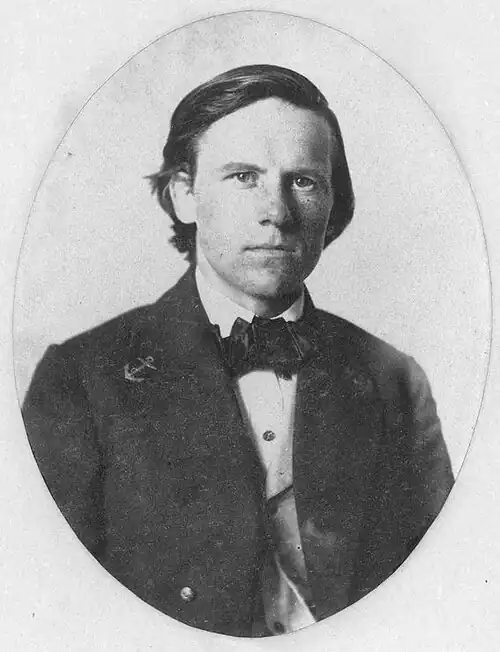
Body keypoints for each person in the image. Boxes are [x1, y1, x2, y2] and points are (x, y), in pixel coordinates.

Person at [22, 64, 454, 638]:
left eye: (303, 181)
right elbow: (46, 605)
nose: (277, 211)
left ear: (333, 203)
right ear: (184, 195)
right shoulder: (81, 379)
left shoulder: (392, 380)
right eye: (244, 177)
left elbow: (439, 594)